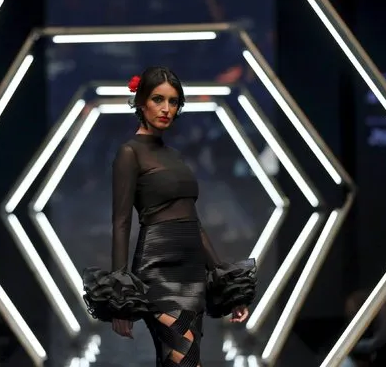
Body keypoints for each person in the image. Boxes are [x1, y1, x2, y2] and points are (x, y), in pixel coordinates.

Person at [82, 66, 257, 366]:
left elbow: (193, 221)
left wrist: (228, 286)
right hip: (158, 272)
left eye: (173, 101)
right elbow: (122, 222)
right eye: (158, 99)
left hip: (192, 276)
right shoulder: (129, 153)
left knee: (179, 362)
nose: (166, 109)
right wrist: (121, 300)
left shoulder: (175, 156)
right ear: (141, 103)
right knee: (185, 361)